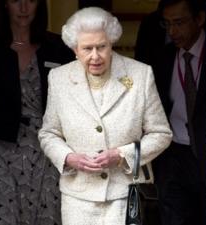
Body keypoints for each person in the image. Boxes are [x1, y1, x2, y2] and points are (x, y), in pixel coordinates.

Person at [38, 7, 173, 225]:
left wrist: (122, 155)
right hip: (77, 198)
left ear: (112, 42)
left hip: (125, 194)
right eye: (87, 48)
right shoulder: (59, 78)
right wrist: (68, 158)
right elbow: (49, 133)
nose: (95, 56)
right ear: (74, 49)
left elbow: (161, 133)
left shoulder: (140, 74)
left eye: (102, 46)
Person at [0, 0, 74, 224]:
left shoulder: (58, 48)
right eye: (16, 0)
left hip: (47, 153)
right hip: (0, 154)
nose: (24, 7)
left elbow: (75, 104)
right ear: (4, 4)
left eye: (30, 0)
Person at [151, 0, 206, 224]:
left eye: (179, 22)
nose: (173, 31)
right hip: (173, 158)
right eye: (167, 24)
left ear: (200, 19)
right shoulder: (162, 58)